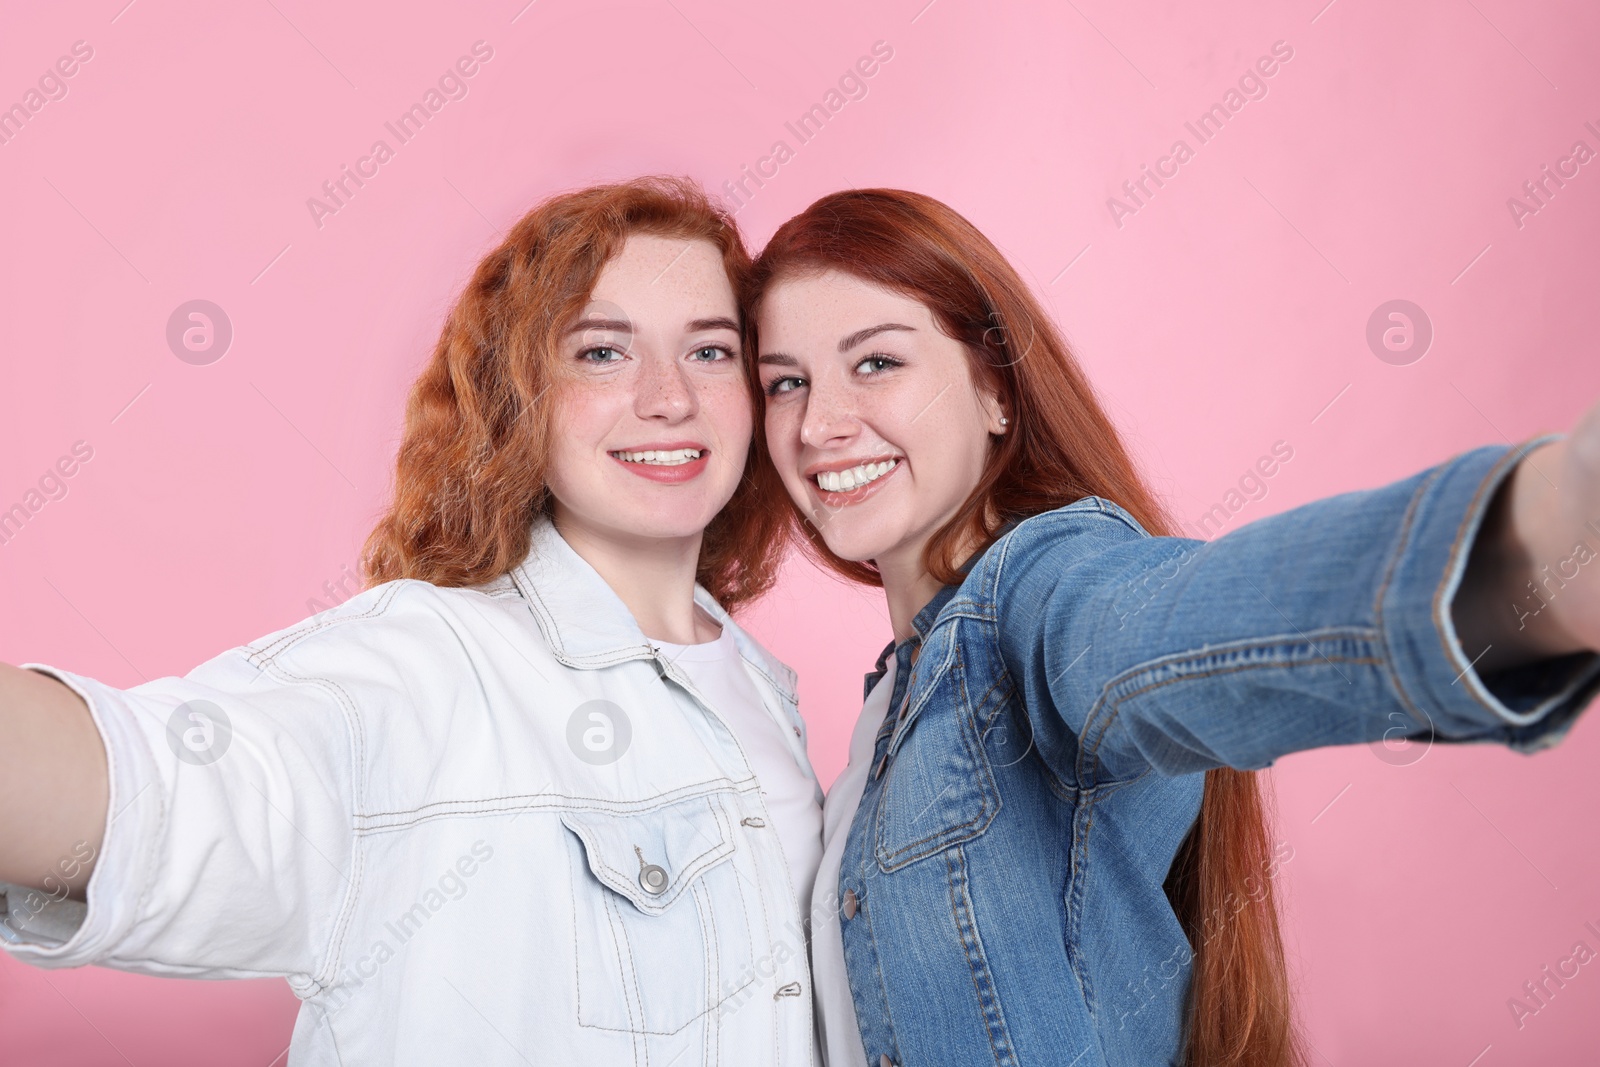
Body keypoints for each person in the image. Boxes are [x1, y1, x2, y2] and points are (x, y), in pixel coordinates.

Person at [745, 188, 1600, 1067]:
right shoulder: (893, 702)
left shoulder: (1038, 593)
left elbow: (1165, 629)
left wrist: (1544, 539)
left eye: (877, 363)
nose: (819, 424)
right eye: (786, 382)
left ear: (994, 390)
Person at [0, 177, 826, 1066]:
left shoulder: (760, 690)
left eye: (709, 352)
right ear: (519, 397)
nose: (669, 398)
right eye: (599, 353)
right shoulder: (425, 664)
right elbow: (169, 785)